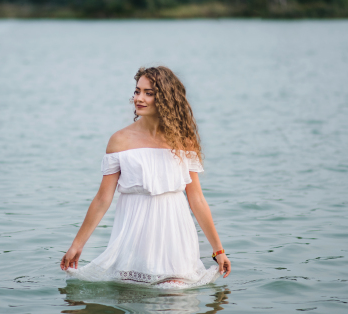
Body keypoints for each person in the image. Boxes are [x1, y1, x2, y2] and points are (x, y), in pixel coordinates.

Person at [61, 66, 231, 288]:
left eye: (148, 93)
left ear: (166, 98)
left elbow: (197, 199)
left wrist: (218, 251)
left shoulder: (184, 140)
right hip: (134, 239)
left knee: (173, 297)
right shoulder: (120, 141)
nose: (139, 98)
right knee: (130, 298)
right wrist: (77, 245)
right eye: (137, 91)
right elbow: (103, 199)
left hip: (175, 238)